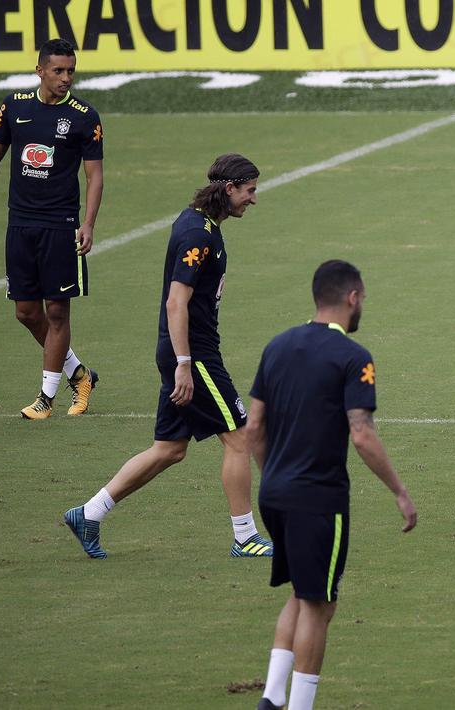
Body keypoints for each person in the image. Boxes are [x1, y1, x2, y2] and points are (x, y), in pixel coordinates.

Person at [63, 154, 272, 559]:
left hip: (184, 351)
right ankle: (245, 536)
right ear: (229, 189)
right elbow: (177, 302)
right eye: (250, 191)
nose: (253, 199)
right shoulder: (199, 234)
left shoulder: (199, 222)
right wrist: (184, 364)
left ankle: (89, 513)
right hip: (193, 355)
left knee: (170, 448)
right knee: (238, 437)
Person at [249, 260, 417, 710]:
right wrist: (400, 492)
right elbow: (361, 433)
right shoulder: (353, 357)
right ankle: (299, 706)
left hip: (274, 493)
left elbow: (254, 426)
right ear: (352, 298)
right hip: (317, 499)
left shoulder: (277, 346)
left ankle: (270, 696)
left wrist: (273, 475)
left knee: (302, 594)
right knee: (320, 605)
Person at [0, 38, 103, 419]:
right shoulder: (14, 107)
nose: (66, 78)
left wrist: (88, 223)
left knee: (57, 311)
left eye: (71, 71)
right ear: (40, 70)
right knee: (26, 312)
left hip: (61, 226)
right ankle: (79, 373)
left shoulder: (83, 116)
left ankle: (46, 398)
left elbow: (94, 177)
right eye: (58, 71)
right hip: (20, 224)